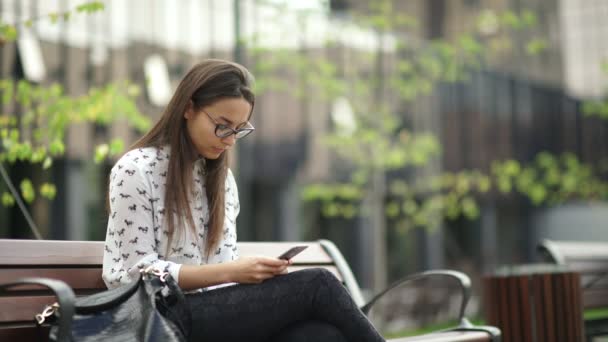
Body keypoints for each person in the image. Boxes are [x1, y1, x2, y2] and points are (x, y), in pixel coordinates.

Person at [102, 59, 385, 342]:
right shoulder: (136, 170)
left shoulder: (221, 181)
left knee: (322, 335)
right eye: (222, 126)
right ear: (188, 108)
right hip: (155, 317)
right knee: (318, 283)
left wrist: (255, 274)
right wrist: (231, 271)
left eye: (238, 129)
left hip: (210, 318)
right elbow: (136, 274)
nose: (229, 140)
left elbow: (223, 273)